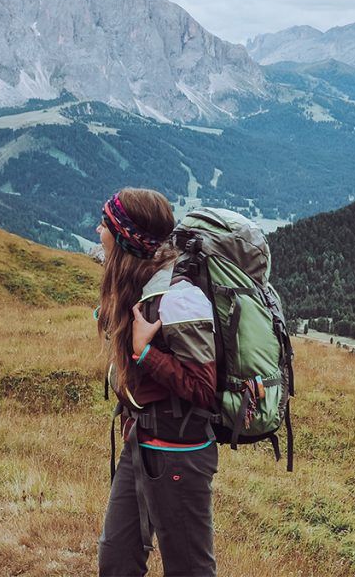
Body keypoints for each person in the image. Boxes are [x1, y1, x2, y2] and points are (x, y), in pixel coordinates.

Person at [95, 188, 218, 577]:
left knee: (189, 569)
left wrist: (146, 354)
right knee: (116, 562)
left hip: (179, 453)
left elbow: (204, 389)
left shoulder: (180, 297)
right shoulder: (140, 285)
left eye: (106, 224)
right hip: (140, 444)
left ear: (126, 238)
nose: (98, 230)